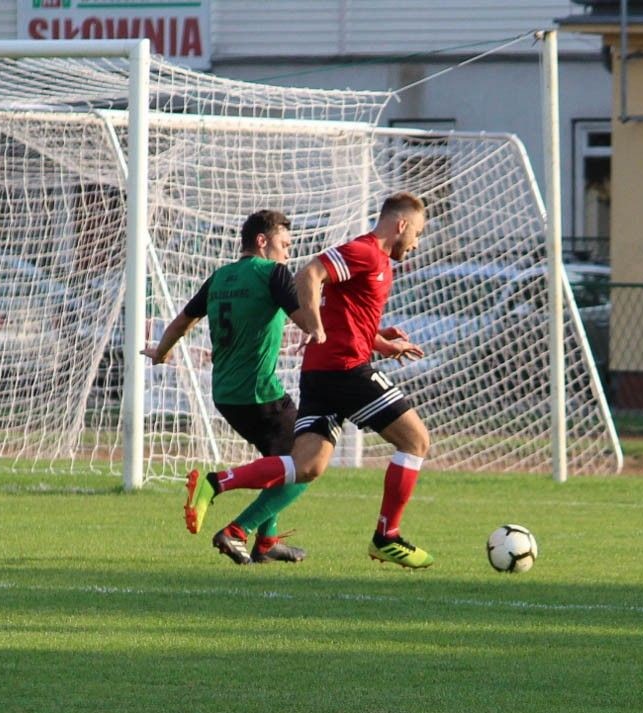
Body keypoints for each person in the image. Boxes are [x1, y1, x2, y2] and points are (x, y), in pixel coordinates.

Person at [184, 192, 432, 569]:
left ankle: (217, 487)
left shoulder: (378, 262)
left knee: (306, 466)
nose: (416, 242)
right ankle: (387, 537)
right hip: (346, 369)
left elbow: (346, 318)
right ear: (401, 224)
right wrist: (313, 324)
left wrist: (382, 343)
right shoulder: (365, 251)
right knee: (416, 440)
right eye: (417, 232)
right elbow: (309, 274)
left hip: (320, 373)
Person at [144, 209, 315, 565]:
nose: (288, 254)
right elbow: (305, 319)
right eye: (285, 245)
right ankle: (232, 517)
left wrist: (161, 353)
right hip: (260, 392)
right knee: (307, 463)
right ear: (262, 241)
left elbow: (181, 322)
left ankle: (267, 541)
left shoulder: (220, 277)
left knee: (279, 461)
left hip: (225, 394)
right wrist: (319, 326)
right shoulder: (272, 273)